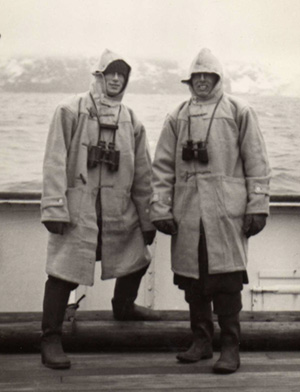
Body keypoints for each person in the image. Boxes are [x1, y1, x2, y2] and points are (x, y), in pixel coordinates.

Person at [150, 48, 271, 374]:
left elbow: (257, 163)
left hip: (225, 213)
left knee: (227, 282)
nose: (202, 81)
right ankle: (201, 342)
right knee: (194, 282)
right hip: (188, 214)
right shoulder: (177, 115)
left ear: (218, 79)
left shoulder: (239, 110)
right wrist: (160, 208)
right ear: (190, 81)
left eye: (208, 76)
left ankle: (231, 347)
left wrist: (257, 205)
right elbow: (161, 167)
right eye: (196, 77)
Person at [40, 49, 158, 369]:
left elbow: (144, 174)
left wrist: (147, 218)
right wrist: (54, 207)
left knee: (138, 256)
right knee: (63, 272)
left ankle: (124, 306)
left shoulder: (131, 120)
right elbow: (53, 161)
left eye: (122, 74)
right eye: (110, 73)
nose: (116, 79)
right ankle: (50, 338)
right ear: (99, 75)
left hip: (117, 208)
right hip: (80, 208)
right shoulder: (70, 110)